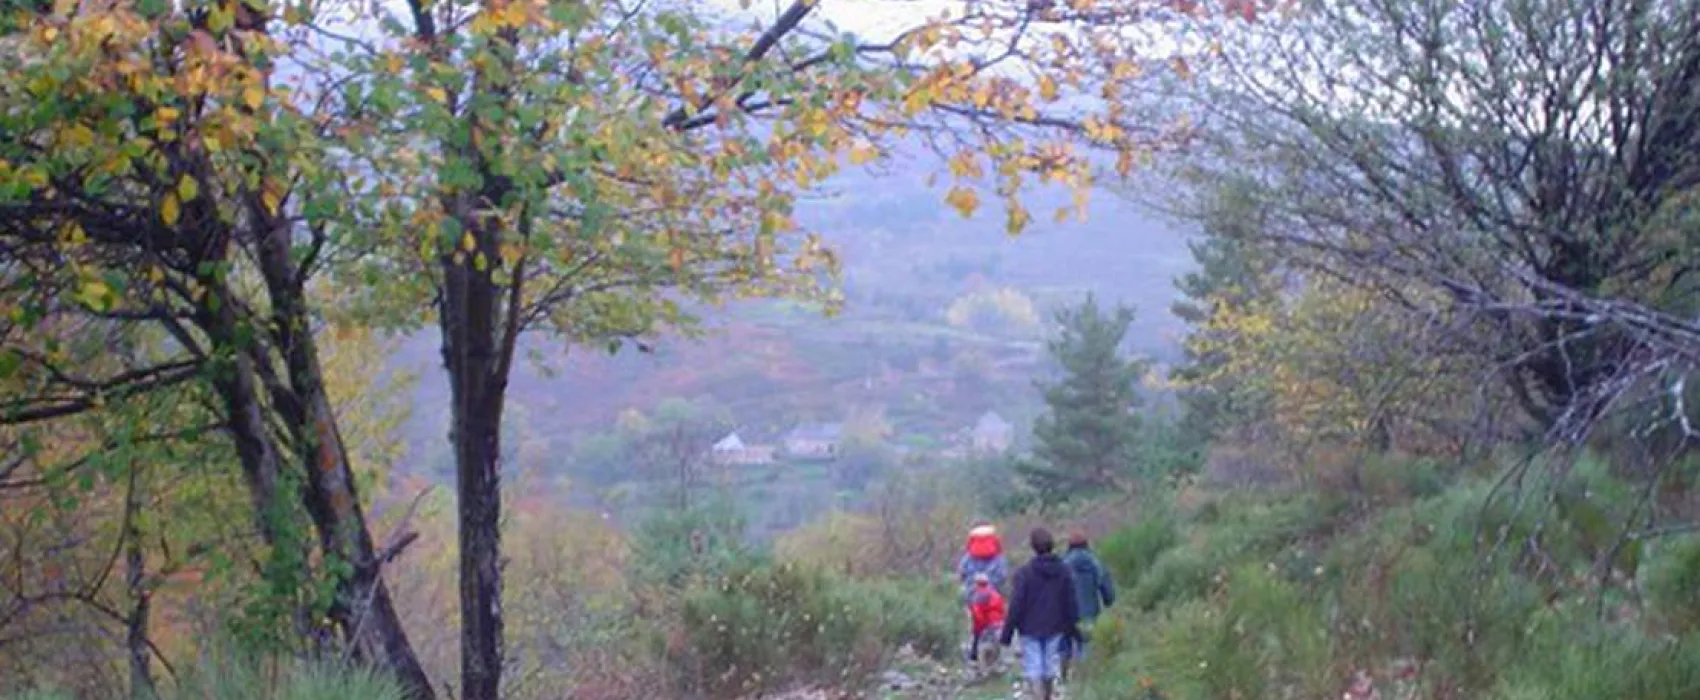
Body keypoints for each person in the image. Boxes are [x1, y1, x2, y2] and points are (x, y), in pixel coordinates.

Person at [999, 527, 1080, 700]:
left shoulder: (1025, 573)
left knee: (1034, 665)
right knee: (1050, 664)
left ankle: (1037, 695)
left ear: (1033, 547)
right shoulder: (1064, 571)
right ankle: (1047, 694)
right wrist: (1074, 628)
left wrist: (1007, 633)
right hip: (1055, 625)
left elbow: (1016, 604)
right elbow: (1070, 601)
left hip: (1029, 628)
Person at [1061, 529, 1116, 681]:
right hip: (1088, 613)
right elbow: (1106, 587)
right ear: (1087, 545)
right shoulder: (1095, 563)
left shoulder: (1063, 564)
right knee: (1085, 644)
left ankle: (1063, 679)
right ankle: (1083, 679)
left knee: (1064, 646)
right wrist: (1108, 600)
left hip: (1065, 614)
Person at [956, 522, 1009, 662]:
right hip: (993, 598)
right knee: (993, 625)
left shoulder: (968, 557)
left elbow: (961, 573)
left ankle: (974, 651)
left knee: (975, 623)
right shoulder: (998, 557)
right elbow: (1003, 576)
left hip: (972, 596)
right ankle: (991, 656)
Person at [966, 572, 1006, 668]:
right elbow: (1002, 610)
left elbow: (977, 613)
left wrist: (978, 626)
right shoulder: (995, 594)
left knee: (981, 646)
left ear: (976, 583)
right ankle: (995, 664)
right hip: (998, 624)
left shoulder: (978, 596)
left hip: (985, 625)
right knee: (995, 646)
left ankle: (978, 664)